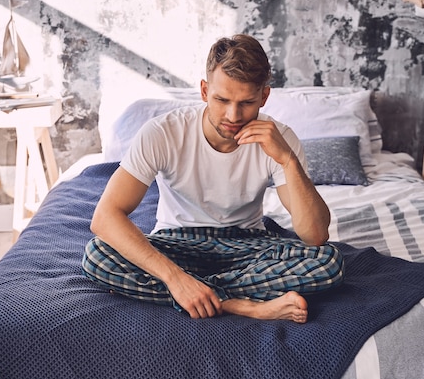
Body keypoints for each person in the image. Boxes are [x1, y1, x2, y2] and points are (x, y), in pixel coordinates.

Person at [82, 34, 344, 323]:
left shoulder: (281, 140)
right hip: (176, 242)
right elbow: (104, 218)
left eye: (246, 102)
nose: (233, 115)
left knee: (328, 262)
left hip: (247, 245)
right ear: (205, 91)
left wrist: (287, 160)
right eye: (222, 100)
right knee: (98, 254)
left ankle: (203, 295)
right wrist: (175, 279)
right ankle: (239, 304)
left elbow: (315, 235)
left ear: (264, 96)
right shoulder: (162, 132)